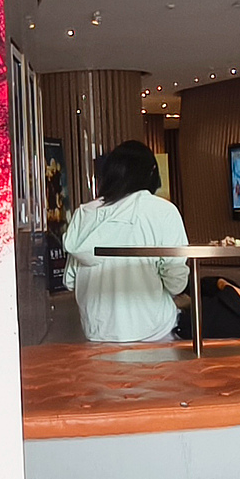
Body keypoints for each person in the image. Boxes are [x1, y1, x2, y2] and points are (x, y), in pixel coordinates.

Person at [62, 140, 190, 342]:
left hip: (97, 334)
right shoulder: (163, 211)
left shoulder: (84, 213)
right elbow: (176, 283)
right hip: (154, 331)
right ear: (152, 172)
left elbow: (70, 281)